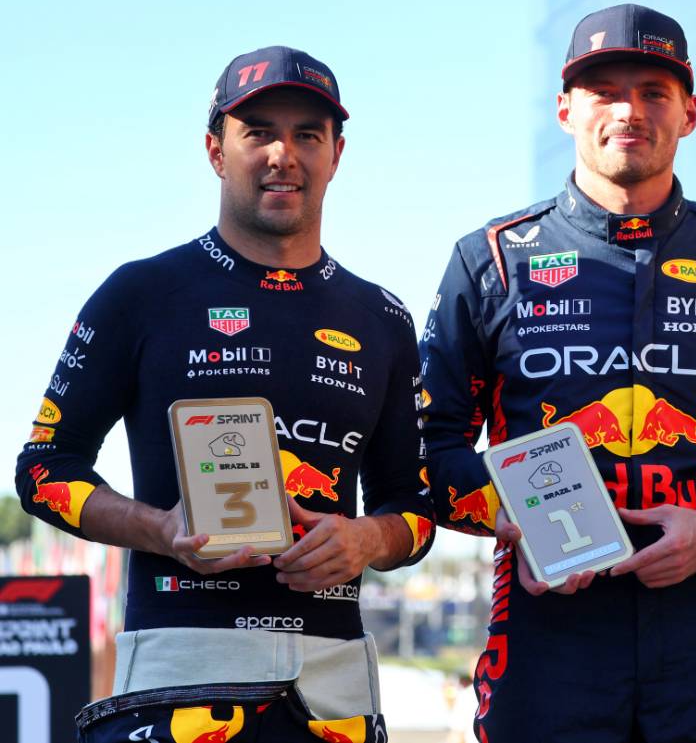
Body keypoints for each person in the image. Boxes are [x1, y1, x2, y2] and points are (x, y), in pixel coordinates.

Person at [17, 45, 435, 742]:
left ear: (337, 154)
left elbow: (415, 512)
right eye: (259, 131)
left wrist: (365, 537)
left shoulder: (383, 319)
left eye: (308, 134)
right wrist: (162, 531)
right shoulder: (140, 294)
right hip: (178, 677)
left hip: (332, 691)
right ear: (216, 150)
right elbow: (41, 470)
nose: (284, 153)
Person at [419, 3, 696, 743]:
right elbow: (427, 445)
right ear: (566, 109)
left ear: (689, 113)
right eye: (604, 90)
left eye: (653, 91)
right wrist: (515, 522)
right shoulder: (492, 259)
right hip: (547, 617)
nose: (629, 110)